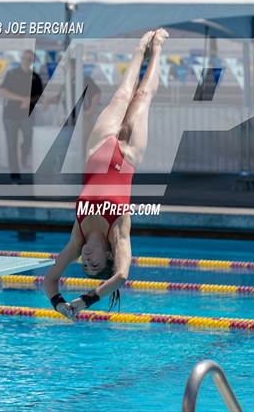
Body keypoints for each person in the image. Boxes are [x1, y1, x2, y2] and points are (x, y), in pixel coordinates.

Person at [43, 28, 169, 319]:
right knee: (142, 95)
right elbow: (122, 275)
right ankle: (158, 48)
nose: (86, 261)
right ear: (107, 257)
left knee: (122, 94)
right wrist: (88, 301)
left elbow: (49, 280)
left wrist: (59, 303)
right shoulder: (119, 235)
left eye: (84, 265)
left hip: (97, 150)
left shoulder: (78, 238)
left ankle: (140, 48)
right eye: (94, 265)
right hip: (127, 154)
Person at [0, 50, 43, 180]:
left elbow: (39, 95)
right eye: (25, 58)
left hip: (27, 114)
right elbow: (3, 92)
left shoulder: (35, 77)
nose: (27, 61)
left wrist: (28, 101)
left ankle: (24, 153)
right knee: (11, 144)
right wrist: (21, 99)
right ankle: (15, 173)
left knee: (29, 138)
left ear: (33, 61)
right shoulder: (12, 74)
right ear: (21, 59)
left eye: (30, 59)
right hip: (10, 114)